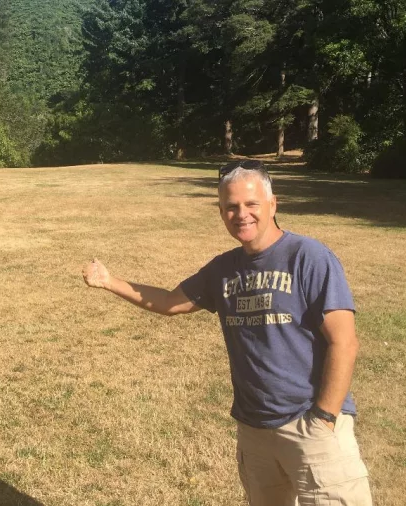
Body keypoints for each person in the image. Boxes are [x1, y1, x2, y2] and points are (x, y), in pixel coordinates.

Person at [82, 160, 372, 505]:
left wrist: (324, 417)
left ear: (272, 205)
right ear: (221, 212)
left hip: (310, 426)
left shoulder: (308, 257)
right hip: (254, 428)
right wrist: (110, 282)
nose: (242, 214)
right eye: (231, 207)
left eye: (251, 204)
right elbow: (171, 302)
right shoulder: (224, 269)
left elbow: (344, 341)